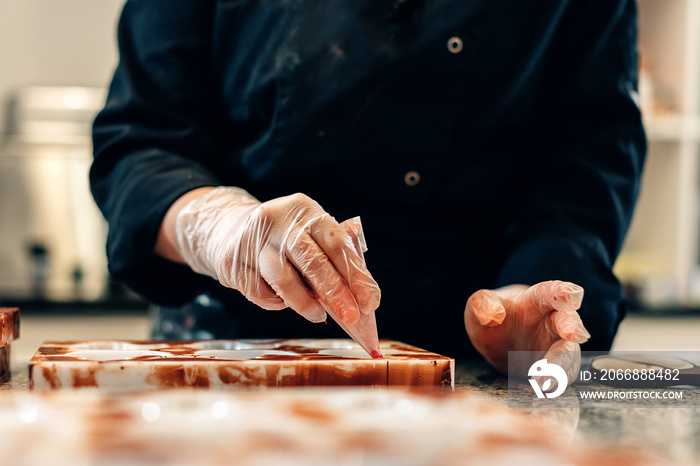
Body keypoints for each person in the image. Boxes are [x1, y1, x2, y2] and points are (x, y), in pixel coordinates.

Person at [90, 0, 645, 373]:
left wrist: (529, 301)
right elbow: (140, 140)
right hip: (229, 352)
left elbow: (585, 163)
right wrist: (219, 227)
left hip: (468, 358)